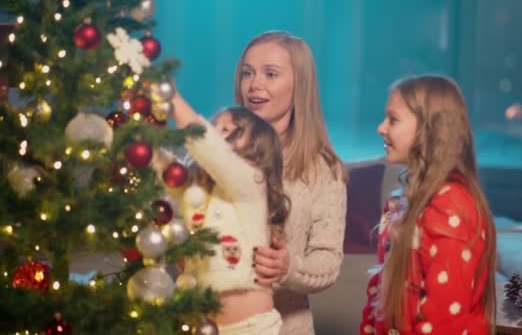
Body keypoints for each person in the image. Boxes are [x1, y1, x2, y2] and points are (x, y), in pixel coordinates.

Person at [172, 30, 347, 334]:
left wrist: (288, 267)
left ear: (299, 86)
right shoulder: (211, 152)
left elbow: (328, 261)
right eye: (248, 73)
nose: (255, 84)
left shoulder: (321, 169)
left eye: (271, 74)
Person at [360, 75, 496, 334]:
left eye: (393, 119)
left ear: (428, 130)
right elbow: (379, 297)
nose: (381, 127)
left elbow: (445, 320)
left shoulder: (451, 206)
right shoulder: (402, 203)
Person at [156, 107, 290, 334]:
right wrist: (137, 138)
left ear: (258, 148)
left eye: (225, 129)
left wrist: (175, 101)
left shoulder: (252, 183)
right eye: (213, 126)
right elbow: (164, 171)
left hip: (251, 329)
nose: (215, 132)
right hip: (201, 327)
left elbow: (215, 152)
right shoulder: (197, 190)